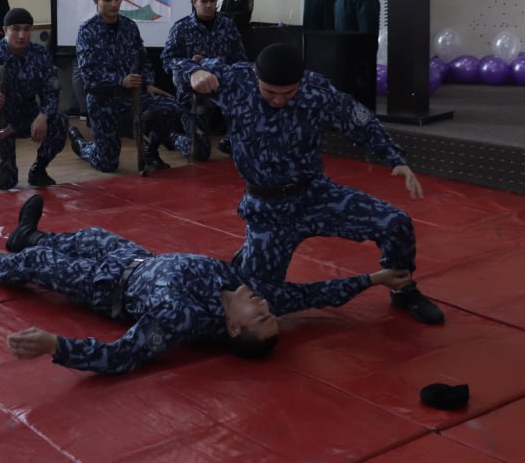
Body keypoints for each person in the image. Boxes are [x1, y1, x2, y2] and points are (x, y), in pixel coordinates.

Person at [0, 195, 405, 375]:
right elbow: (314, 295)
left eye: (260, 317)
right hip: (136, 257)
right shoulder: (246, 288)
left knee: (42, 265)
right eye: (270, 314)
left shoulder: (181, 319)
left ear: (233, 329)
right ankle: (28, 234)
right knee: (86, 236)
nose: (266, 306)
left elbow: (121, 355)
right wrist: (375, 278)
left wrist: (54, 345)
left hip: (108, 286)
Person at [175, 43, 445, 326]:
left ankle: (403, 290)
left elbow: (359, 120)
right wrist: (193, 72)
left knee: (396, 223)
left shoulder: (316, 92)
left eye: (288, 93)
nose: (278, 101)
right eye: (270, 92)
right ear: (255, 76)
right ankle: (251, 255)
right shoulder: (235, 81)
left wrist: (395, 158)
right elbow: (176, 63)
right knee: (261, 299)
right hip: (268, 210)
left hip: (315, 195)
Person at [70, 0, 193, 172]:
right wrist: (120, 81)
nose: (114, 4)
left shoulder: (129, 27)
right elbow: (89, 74)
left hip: (133, 96)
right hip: (104, 101)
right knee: (107, 164)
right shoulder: (87, 32)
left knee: (171, 107)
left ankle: (151, 151)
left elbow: (144, 61)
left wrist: (148, 83)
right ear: (96, 2)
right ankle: (81, 145)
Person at [0, 8, 67, 189]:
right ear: (5, 29)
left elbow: (51, 92)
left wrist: (44, 115)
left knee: (59, 121)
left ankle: (39, 170)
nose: (21, 35)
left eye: (26, 29)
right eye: (16, 29)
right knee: (5, 181)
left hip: (26, 116)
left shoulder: (40, 55)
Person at [160, 0, 247, 159]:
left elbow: (240, 58)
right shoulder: (182, 28)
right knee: (199, 153)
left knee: (242, 141)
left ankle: (230, 140)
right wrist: (190, 66)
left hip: (225, 90)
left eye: (213, 1)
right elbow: (167, 60)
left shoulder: (227, 24)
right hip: (193, 94)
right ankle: (170, 137)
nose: (209, 5)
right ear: (194, 3)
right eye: (204, 1)